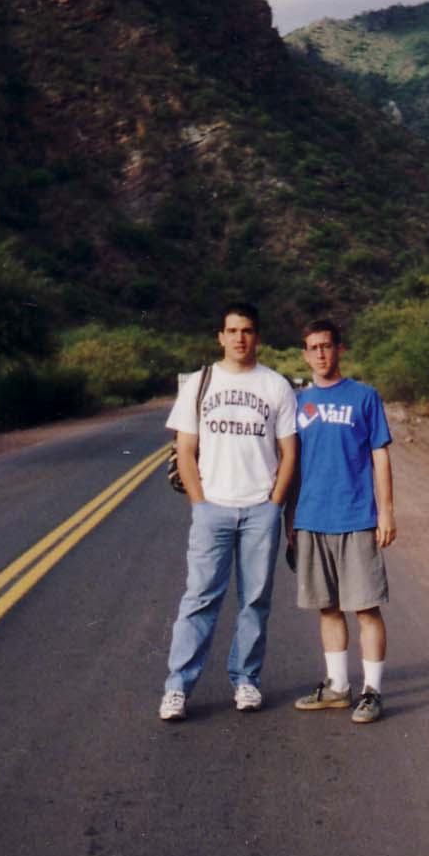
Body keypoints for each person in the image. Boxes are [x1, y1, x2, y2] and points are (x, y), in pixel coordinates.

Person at [159, 302, 298, 721]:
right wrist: (199, 503)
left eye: (247, 330)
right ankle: (177, 687)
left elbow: (289, 452)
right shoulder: (200, 383)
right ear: (220, 337)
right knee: (200, 598)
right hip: (213, 509)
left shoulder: (275, 386)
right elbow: (185, 450)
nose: (240, 338)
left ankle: (246, 680)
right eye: (232, 330)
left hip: (259, 510)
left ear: (258, 337)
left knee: (255, 600)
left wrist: (274, 504)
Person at [288, 318, 396, 724]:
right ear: (305, 354)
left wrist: (386, 511)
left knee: (365, 608)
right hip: (312, 518)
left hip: (355, 517)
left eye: (327, 345)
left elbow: (380, 455)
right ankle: (337, 687)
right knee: (328, 607)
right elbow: (291, 464)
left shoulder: (364, 397)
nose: (321, 353)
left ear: (340, 349)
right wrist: (289, 519)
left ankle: (372, 691)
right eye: (313, 347)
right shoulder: (297, 403)